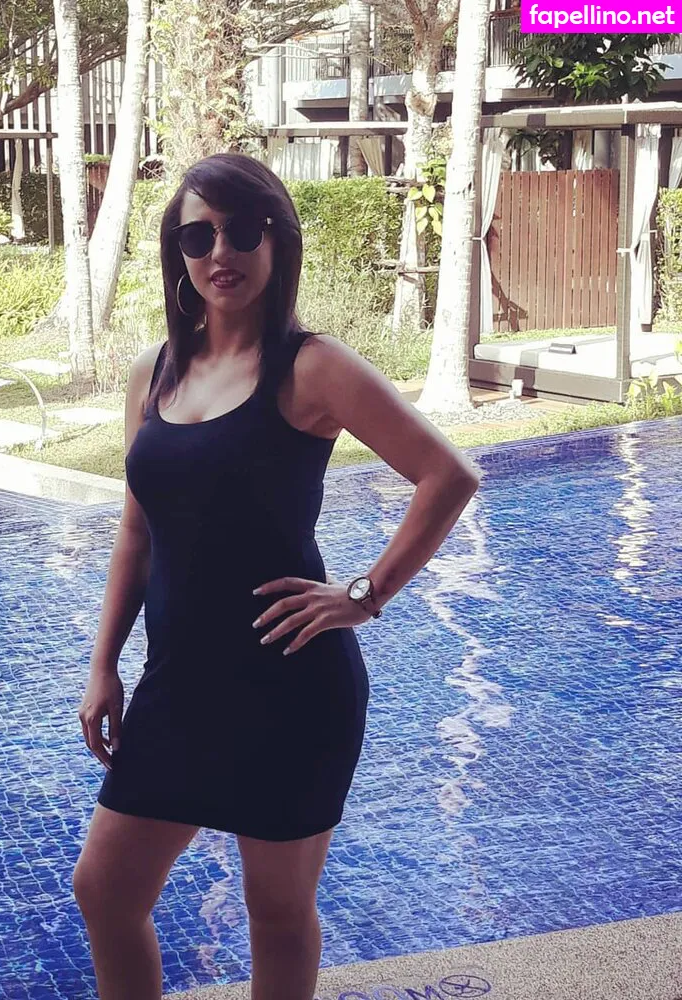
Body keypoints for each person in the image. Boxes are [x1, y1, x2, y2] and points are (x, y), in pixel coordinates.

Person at [72, 153, 480, 1000]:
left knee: (278, 911)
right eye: (198, 236)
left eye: (241, 231)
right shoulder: (154, 372)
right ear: (178, 253)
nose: (220, 252)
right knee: (105, 890)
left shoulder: (310, 366)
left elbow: (447, 475)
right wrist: (104, 663)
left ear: (276, 240)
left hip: (289, 685)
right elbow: (137, 531)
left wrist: (364, 596)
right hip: (178, 686)